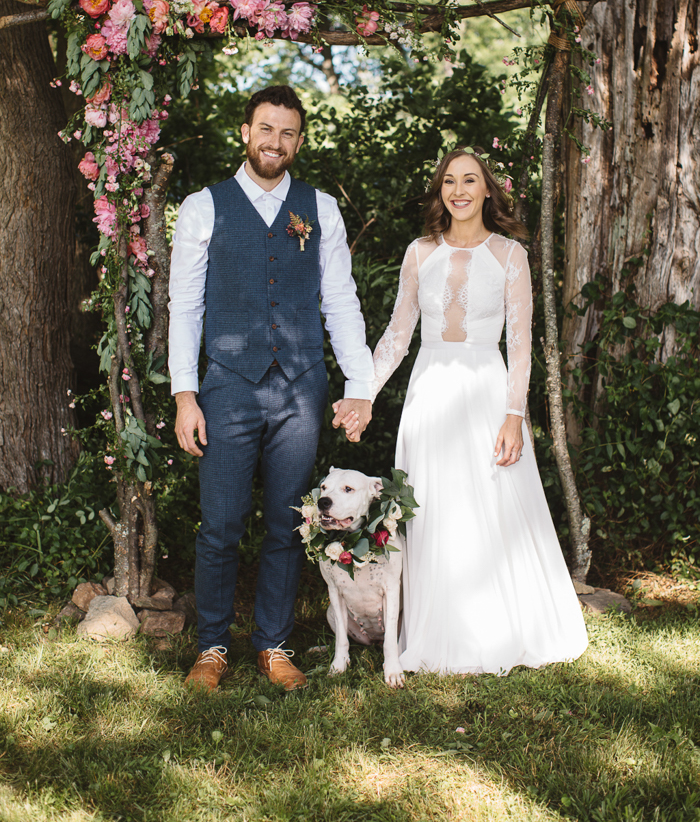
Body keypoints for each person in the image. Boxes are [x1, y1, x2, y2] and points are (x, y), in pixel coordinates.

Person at [169, 85, 373, 691]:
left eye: (287, 133)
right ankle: (210, 648)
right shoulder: (204, 206)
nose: (274, 142)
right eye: (266, 129)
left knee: (290, 522)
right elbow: (186, 304)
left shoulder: (321, 209)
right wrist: (185, 393)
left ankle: (274, 645)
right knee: (221, 523)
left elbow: (339, 299)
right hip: (227, 387)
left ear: (299, 141)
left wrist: (359, 382)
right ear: (245, 132)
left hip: (302, 386)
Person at [364, 146, 588, 675]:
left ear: (488, 189)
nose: (459, 190)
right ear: (440, 191)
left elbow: (520, 345)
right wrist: (363, 394)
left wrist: (515, 414)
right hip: (430, 390)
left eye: (470, 180)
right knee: (433, 504)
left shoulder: (510, 255)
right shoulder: (419, 252)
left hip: (489, 392)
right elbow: (398, 335)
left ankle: (497, 626)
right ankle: (432, 626)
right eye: (449, 181)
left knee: (490, 502)